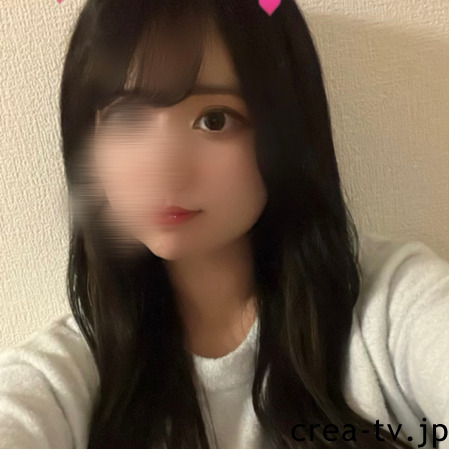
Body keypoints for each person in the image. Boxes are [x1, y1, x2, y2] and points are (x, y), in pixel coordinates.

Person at [0, 0, 448, 448]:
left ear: (285, 132)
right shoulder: (68, 375)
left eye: (214, 120)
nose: (164, 168)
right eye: (127, 117)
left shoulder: (391, 306)